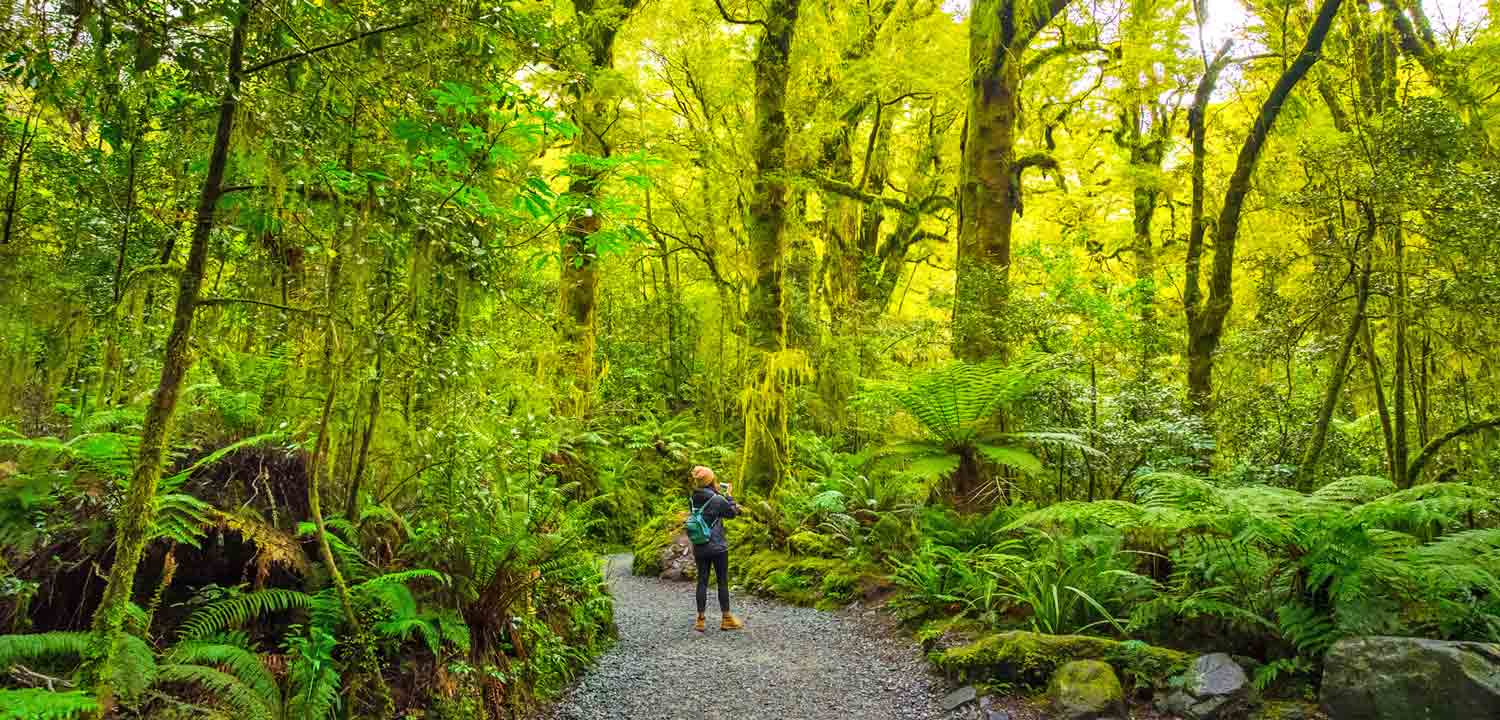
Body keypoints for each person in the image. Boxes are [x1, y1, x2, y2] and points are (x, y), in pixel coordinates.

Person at [689, 465, 743, 632]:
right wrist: (730, 497)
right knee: (722, 582)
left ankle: (700, 620)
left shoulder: (692, 498)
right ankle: (726, 618)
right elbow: (732, 513)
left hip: (699, 545)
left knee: (702, 581)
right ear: (711, 480)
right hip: (718, 546)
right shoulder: (718, 500)